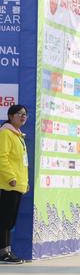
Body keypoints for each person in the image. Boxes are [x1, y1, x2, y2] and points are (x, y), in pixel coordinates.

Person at [0, 105, 30, 264]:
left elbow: (21, 163)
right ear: (11, 116)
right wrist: (11, 177)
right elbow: (2, 157)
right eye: (19, 114)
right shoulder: (6, 133)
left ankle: (6, 251)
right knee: (5, 220)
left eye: (25, 114)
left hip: (17, 184)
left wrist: (24, 182)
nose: (23, 117)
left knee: (9, 220)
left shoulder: (18, 135)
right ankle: (3, 253)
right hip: (7, 184)